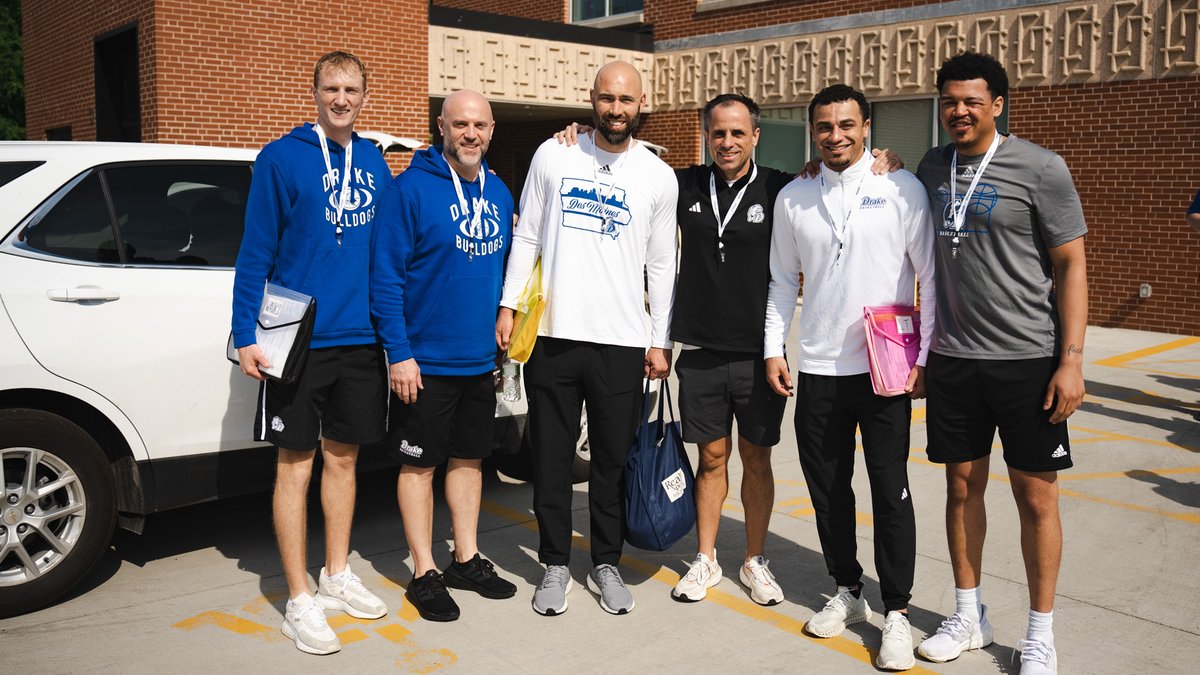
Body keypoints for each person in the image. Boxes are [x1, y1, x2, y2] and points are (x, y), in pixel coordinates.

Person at [914, 52, 1088, 675]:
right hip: (955, 360)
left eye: (971, 101)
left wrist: (1070, 360)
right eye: (949, 101)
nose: (958, 111)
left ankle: (1041, 632)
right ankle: (969, 613)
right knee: (961, 489)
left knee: (1035, 497)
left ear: (998, 104)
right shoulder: (932, 165)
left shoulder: (1041, 167)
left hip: (1028, 360)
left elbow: (1071, 264)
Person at [763, 83, 935, 672]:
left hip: (885, 367)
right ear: (814, 132)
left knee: (890, 492)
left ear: (866, 127)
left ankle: (900, 613)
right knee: (828, 490)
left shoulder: (901, 187)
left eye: (846, 125)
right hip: (818, 367)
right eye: (824, 127)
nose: (836, 135)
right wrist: (773, 348)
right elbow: (783, 281)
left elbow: (929, 278)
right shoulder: (794, 196)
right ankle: (848, 591)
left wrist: (925, 358)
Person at [495, 60, 677, 617]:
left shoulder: (657, 175)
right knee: (550, 460)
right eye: (606, 98)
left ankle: (605, 562)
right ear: (591, 99)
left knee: (610, 464)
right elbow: (526, 233)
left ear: (640, 103)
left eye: (625, 100)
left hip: (622, 343)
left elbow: (662, 266)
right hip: (553, 334)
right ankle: (554, 564)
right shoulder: (556, 153)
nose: (615, 109)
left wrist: (659, 338)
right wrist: (508, 304)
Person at [231, 50, 390, 655]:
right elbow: (255, 253)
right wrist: (245, 333)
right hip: (294, 343)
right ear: (315, 92)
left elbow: (385, 251)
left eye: (352, 89)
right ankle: (298, 598)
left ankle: (335, 574)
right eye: (331, 88)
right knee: (295, 466)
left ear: (365, 96)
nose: (341, 99)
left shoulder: (375, 161)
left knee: (344, 461)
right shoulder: (280, 159)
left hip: (358, 340)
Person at [370, 89, 518, 622]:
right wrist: (399, 353)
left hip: (479, 361)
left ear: (492, 129)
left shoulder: (499, 192)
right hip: (423, 364)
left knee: (470, 461)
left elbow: (508, 273)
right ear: (441, 126)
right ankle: (423, 569)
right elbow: (385, 279)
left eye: (479, 124)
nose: (470, 134)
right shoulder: (409, 190)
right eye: (460, 124)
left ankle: (466, 557)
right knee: (418, 466)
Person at [666, 94, 792, 606]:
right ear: (706, 135)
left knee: (756, 460)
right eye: (718, 133)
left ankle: (755, 560)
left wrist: (882, 158)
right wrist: (576, 138)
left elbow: (839, 176)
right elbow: (621, 164)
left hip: (759, 353)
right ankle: (707, 558)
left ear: (756, 136)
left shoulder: (781, 187)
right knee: (711, 458)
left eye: (738, 133)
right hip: (700, 349)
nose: (727, 142)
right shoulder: (683, 184)